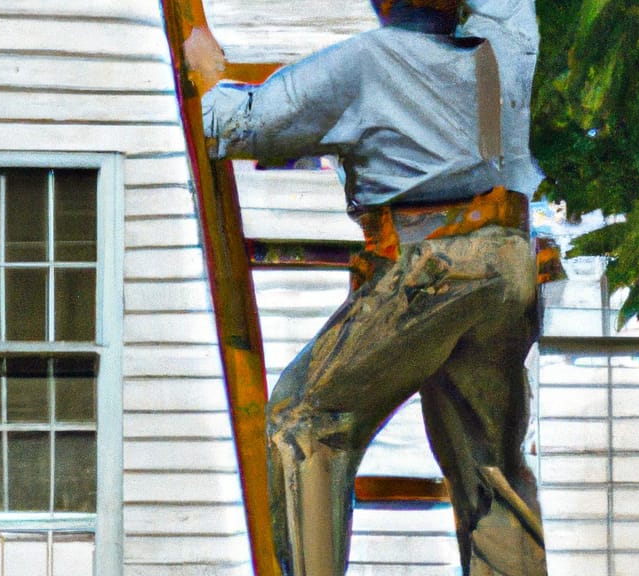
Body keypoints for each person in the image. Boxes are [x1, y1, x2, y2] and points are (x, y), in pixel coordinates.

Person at [187, 1, 547, 574]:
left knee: (304, 419)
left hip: (433, 269)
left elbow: (238, 125)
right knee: (489, 467)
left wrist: (208, 71)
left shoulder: (365, 63)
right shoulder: (501, 51)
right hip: (508, 263)